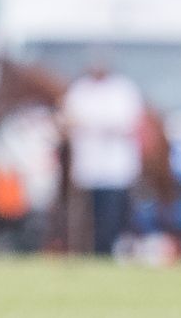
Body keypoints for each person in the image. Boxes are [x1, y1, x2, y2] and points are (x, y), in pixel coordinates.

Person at [59, 51, 146, 256]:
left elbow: (129, 122)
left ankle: (109, 251)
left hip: (115, 168)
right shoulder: (80, 90)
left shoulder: (123, 90)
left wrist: (92, 124)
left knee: (112, 216)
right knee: (87, 216)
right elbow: (67, 119)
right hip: (87, 167)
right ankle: (86, 251)